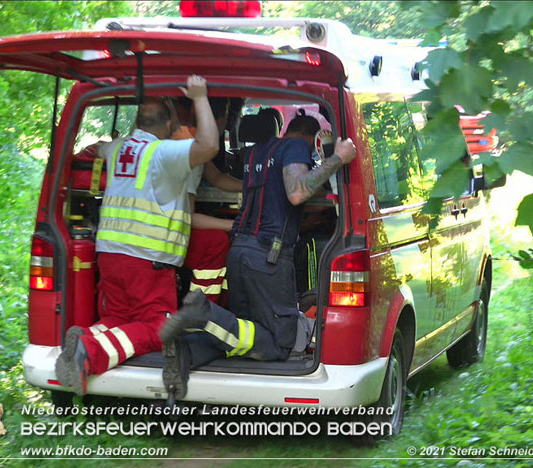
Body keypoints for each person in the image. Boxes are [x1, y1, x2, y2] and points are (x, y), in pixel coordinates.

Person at [159, 112, 357, 400]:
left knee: (243, 333)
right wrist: (337, 158)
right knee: (279, 343)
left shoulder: (256, 152)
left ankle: (185, 352)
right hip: (269, 257)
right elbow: (297, 193)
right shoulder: (296, 148)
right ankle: (205, 314)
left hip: (239, 252)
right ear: (312, 138)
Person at [55, 75, 219, 395]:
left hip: (110, 255)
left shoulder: (118, 147)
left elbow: (94, 149)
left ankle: (89, 335)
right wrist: (200, 97)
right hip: (147, 260)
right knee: (161, 330)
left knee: (119, 316)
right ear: (169, 121)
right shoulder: (164, 153)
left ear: (137, 121)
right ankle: (89, 351)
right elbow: (210, 146)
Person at [173, 97, 242, 303]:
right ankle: (204, 310)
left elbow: (216, 177)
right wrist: (234, 225)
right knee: (217, 242)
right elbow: (187, 218)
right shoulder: (186, 149)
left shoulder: (191, 144)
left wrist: (252, 187)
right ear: (217, 120)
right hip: (167, 235)